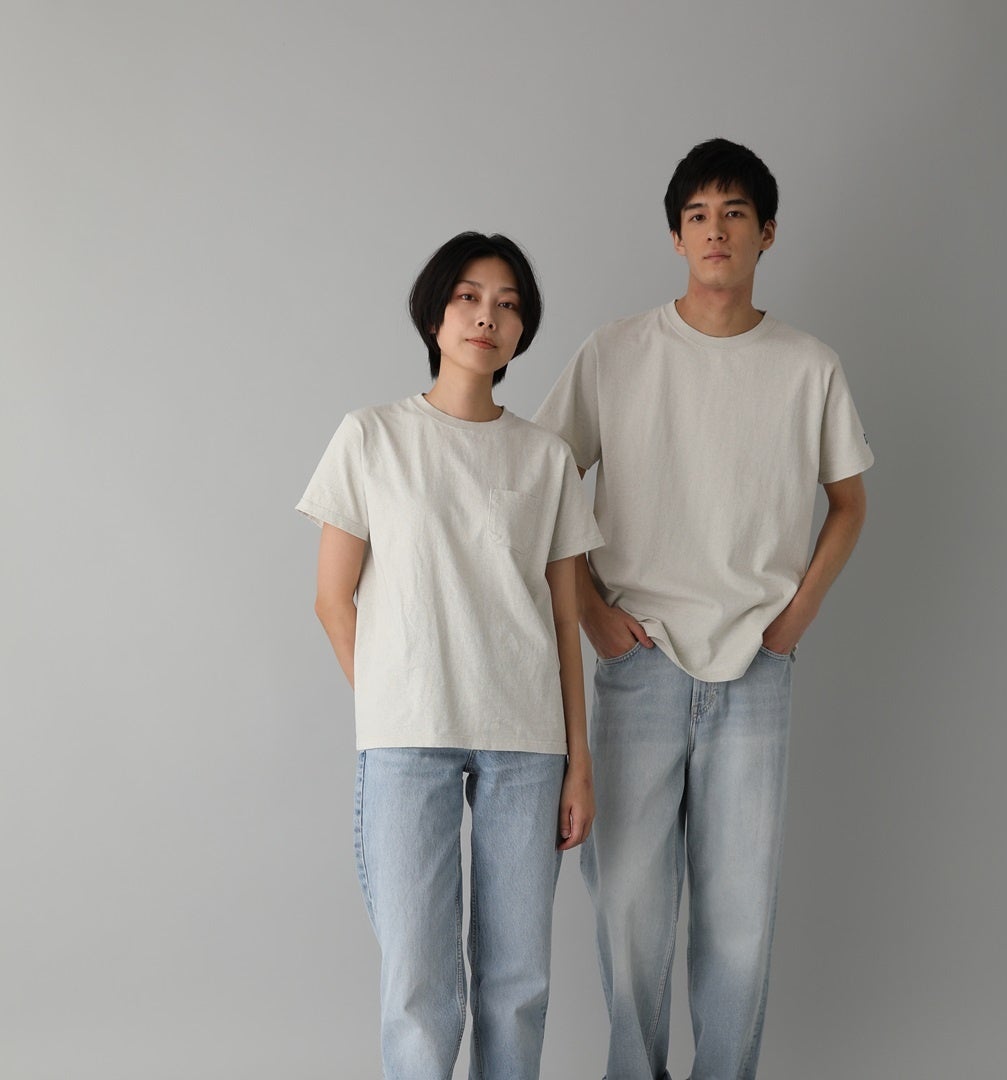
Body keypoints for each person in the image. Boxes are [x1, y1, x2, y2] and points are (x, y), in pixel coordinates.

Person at [533, 138, 874, 1080]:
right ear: (675, 238)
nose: (714, 230)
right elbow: (543, 487)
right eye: (696, 215)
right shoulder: (614, 353)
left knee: (739, 917)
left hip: (756, 666)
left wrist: (796, 617)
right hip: (637, 664)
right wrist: (590, 610)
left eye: (733, 213)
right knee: (627, 911)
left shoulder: (807, 366)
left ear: (767, 233)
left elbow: (849, 503)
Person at [297, 232, 603, 1080]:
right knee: (420, 985)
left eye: (507, 304)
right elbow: (332, 599)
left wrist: (579, 764)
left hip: (526, 742)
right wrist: (394, 697)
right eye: (468, 297)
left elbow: (564, 617)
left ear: (522, 330)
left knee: (517, 982)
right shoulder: (371, 436)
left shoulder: (546, 458)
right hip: (408, 741)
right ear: (434, 313)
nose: (486, 317)